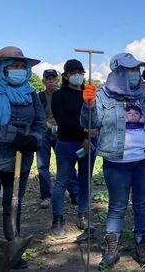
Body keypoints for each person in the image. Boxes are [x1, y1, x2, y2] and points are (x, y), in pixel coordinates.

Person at [81, 53, 145, 269]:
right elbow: (90, 124)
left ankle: (142, 247)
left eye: (136, 70)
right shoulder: (102, 96)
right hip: (116, 161)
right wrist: (88, 106)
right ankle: (112, 250)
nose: (134, 74)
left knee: (143, 204)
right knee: (117, 206)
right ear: (117, 72)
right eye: (129, 70)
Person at [0, 46, 46, 271]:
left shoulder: (30, 92)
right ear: (2, 68)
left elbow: (40, 123)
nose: (19, 69)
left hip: (20, 159)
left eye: (22, 66)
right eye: (13, 65)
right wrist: (11, 136)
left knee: (13, 204)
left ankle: (13, 246)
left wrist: (33, 139)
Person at [50, 60, 97, 237]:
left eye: (80, 71)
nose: (78, 75)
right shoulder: (59, 95)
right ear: (66, 75)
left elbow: (94, 119)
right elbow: (62, 121)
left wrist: (87, 136)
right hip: (67, 143)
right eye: (74, 72)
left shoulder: (89, 95)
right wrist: (83, 132)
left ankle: (83, 215)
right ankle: (58, 218)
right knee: (62, 181)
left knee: (85, 180)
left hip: (89, 144)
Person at [37, 69, 80, 209]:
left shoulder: (63, 94)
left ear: (58, 80)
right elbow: (37, 114)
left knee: (67, 164)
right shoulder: (40, 96)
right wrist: (48, 125)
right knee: (43, 166)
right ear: (43, 81)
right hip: (44, 134)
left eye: (53, 78)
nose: (51, 81)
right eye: (48, 78)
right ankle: (46, 196)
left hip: (62, 134)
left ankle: (74, 193)